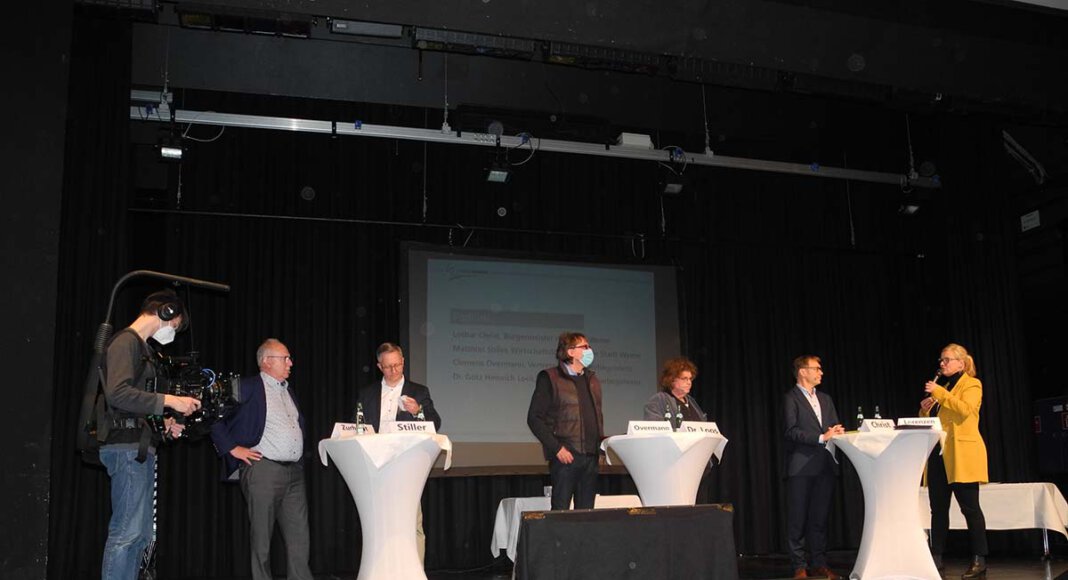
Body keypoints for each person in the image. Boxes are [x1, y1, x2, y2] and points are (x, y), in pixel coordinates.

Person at [99, 289, 201, 580]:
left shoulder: (142, 349)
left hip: (139, 449)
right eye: (176, 325)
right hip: (125, 449)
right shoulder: (125, 342)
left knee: (140, 536)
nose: (174, 332)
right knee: (126, 534)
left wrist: (164, 423)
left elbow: (134, 402)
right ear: (166, 312)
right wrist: (168, 400)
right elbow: (118, 394)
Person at [210, 339, 313, 580]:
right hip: (264, 470)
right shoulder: (247, 387)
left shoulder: (287, 389)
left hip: (294, 473)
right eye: (285, 358)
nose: (291, 362)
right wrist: (232, 448)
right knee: (262, 540)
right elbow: (214, 417)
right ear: (266, 361)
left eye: (289, 358)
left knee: (300, 539)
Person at [356, 342, 442, 562]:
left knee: (412, 523)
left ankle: (414, 571)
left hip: (407, 464)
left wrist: (418, 411)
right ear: (378, 366)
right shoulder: (367, 394)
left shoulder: (419, 392)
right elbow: (358, 427)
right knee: (380, 523)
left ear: (403, 362)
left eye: (397, 365)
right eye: (387, 367)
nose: (393, 371)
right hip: (375, 465)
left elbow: (435, 424)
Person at [920, 343, 988, 579]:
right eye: (941, 360)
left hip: (962, 454)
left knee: (970, 508)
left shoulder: (972, 384)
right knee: (938, 509)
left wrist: (939, 393)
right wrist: (925, 410)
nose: (942, 364)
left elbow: (966, 411)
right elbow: (937, 421)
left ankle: (979, 559)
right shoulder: (946, 386)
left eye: (947, 360)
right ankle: (936, 558)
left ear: (961, 362)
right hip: (940, 455)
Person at [527, 331, 604, 510]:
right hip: (566, 457)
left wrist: (600, 448)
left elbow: (596, 417)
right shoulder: (550, 378)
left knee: (586, 515)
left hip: (590, 458)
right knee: (561, 514)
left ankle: (583, 540)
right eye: (584, 347)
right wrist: (556, 448)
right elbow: (534, 418)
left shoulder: (592, 380)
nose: (589, 350)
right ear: (570, 352)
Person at [783, 355, 844, 580]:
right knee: (797, 518)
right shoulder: (791, 398)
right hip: (801, 466)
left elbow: (832, 426)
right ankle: (799, 566)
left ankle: (819, 563)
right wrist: (821, 437)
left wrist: (836, 432)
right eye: (816, 369)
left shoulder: (826, 399)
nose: (821, 373)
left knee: (819, 519)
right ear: (802, 371)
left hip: (825, 465)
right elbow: (791, 431)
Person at [643, 356, 708, 424]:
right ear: (672, 379)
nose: (689, 382)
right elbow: (654, 426)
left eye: (690, 379)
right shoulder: (659, 400)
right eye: (684, 379)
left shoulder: (691, 401)